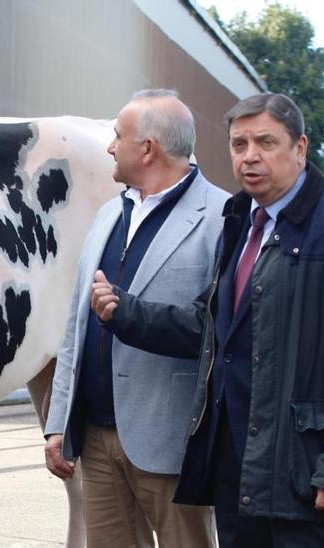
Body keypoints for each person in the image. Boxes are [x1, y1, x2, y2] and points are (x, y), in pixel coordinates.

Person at [92, 92, 324, 546]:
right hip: (238, 468)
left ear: (300, 149)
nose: (250, 156)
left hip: (306, 471)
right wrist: (126, 313)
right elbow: (211, 329)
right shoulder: (240, 221)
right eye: (239, 145)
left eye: (266, 142)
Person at [43, 90, 224, 547]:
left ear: (148, 148)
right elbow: (76, 329)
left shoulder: (221, 218)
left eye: (117, 136)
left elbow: (216, 332)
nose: (109, 147)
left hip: (170, 443)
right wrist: (58, 421)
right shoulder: (108, 214)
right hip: (97, 439)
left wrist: (130, 314)